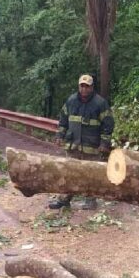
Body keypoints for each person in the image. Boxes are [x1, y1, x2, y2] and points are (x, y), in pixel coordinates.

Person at [49, 74, 114, 210]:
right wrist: (59, 135)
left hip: (92, 147)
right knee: (69, 172)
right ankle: (64, 199)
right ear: (79, 86)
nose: (84, 89)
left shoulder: (100, 103)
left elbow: (108, 125)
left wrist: (104, 143)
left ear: (92, 87)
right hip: (73, 146)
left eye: (87, 86)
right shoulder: (71, 101)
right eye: (82, 86)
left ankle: (90, 200)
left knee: (90, 174)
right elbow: (63, 120)